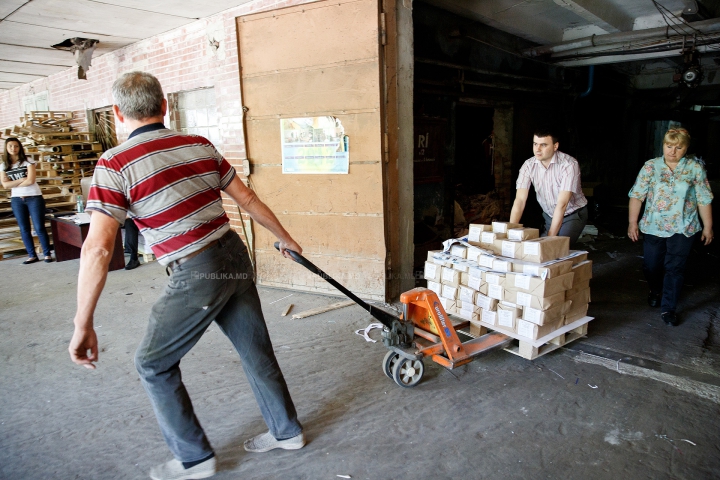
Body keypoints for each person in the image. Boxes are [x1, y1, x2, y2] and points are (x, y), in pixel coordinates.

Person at [67, 72, 305, 480]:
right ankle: (287, 432)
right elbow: (246, 198)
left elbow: (99, 247)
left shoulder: (114, 162)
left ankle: (195, 458)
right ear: (165, 106)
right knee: (255, 349)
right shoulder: (198, 145)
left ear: (117, 114)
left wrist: (82, 321)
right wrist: (285, 239)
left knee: (152, 364)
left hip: (196, 269)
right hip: (233, 253)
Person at [628, 127, 713, 326]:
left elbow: (703, 199)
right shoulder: (650, 167)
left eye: (678, 147)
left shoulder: (694, 169)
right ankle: (655, 289)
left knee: (675, 267)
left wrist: (708, 226)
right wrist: (632, 222)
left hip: (684, 226)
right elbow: (637, 195)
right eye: (668, 146)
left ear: (686, 148)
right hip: (653, 225)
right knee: (651, 265)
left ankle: (668, 308)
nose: (672, 151)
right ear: (663, 145)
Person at [510, 129, 588, 244]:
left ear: (555, 146)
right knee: (538, 250)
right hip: (549, 215)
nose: (537, 149)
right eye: (535, 144)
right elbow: (520, 200)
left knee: (556, 248)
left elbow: (562, 204)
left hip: (572, 213)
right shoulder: (528, 165)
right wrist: (511, 231)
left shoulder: (569, 165)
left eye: (543, 145)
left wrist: (549, 240)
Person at [0, 137, 53, 264]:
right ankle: (32, 255)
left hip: (34, 197)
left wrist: (13, 183)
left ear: (20, 147)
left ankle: (47, 254)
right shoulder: (4, 166)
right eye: (10, 146)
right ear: (6, 149)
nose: (13, 148)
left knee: (39, 227)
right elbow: (5, 186)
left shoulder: (28, 161)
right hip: (17, 200)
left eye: (16, 146)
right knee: (24, 228)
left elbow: (31, 180)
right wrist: (21, 180)